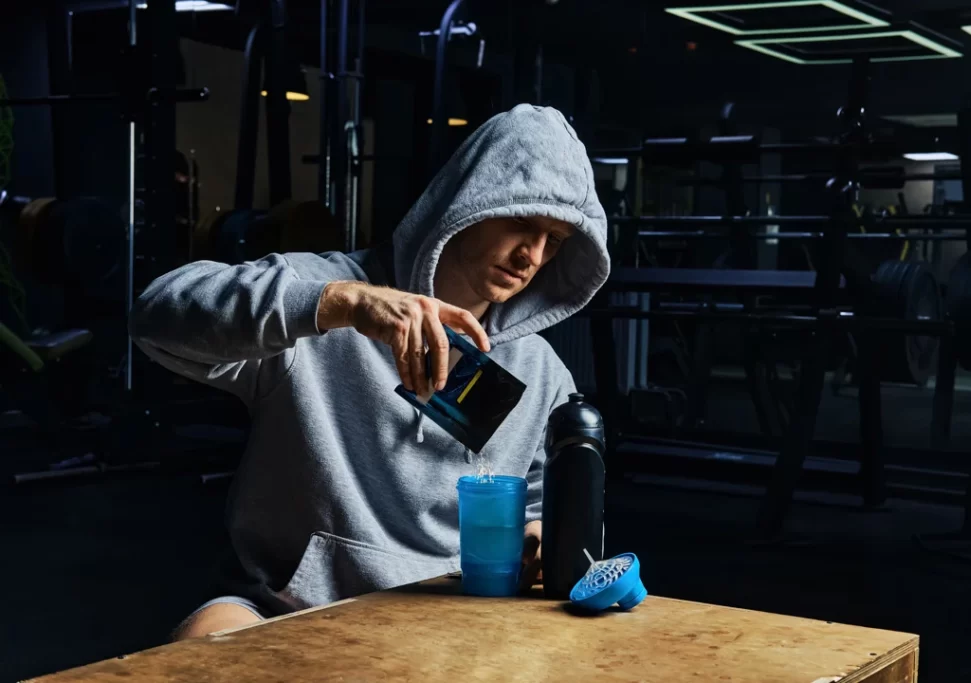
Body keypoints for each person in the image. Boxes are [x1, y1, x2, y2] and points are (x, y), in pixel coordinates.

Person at [129, 104, 610, 639]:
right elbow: (156, 313)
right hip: (292, 607)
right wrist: (342, 304)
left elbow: (544, 505)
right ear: (473, 199)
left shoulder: (542, 372)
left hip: (455, 617)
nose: (532, 255)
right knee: (201, 643)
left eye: (556, 241)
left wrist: (539, 539)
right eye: (523, 220)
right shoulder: (319, 295)